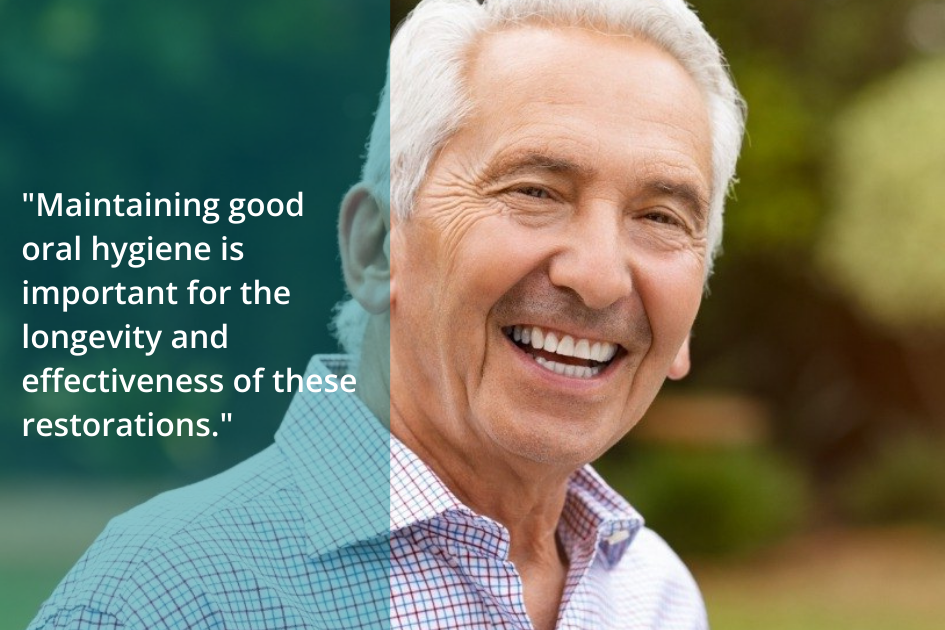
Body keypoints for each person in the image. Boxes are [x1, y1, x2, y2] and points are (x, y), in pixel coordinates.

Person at [29, 0, 745, 628]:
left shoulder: (654, 594)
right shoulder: (162, 600)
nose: (596, 277)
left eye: (658, 216)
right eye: (534, 191)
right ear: (375, 249)